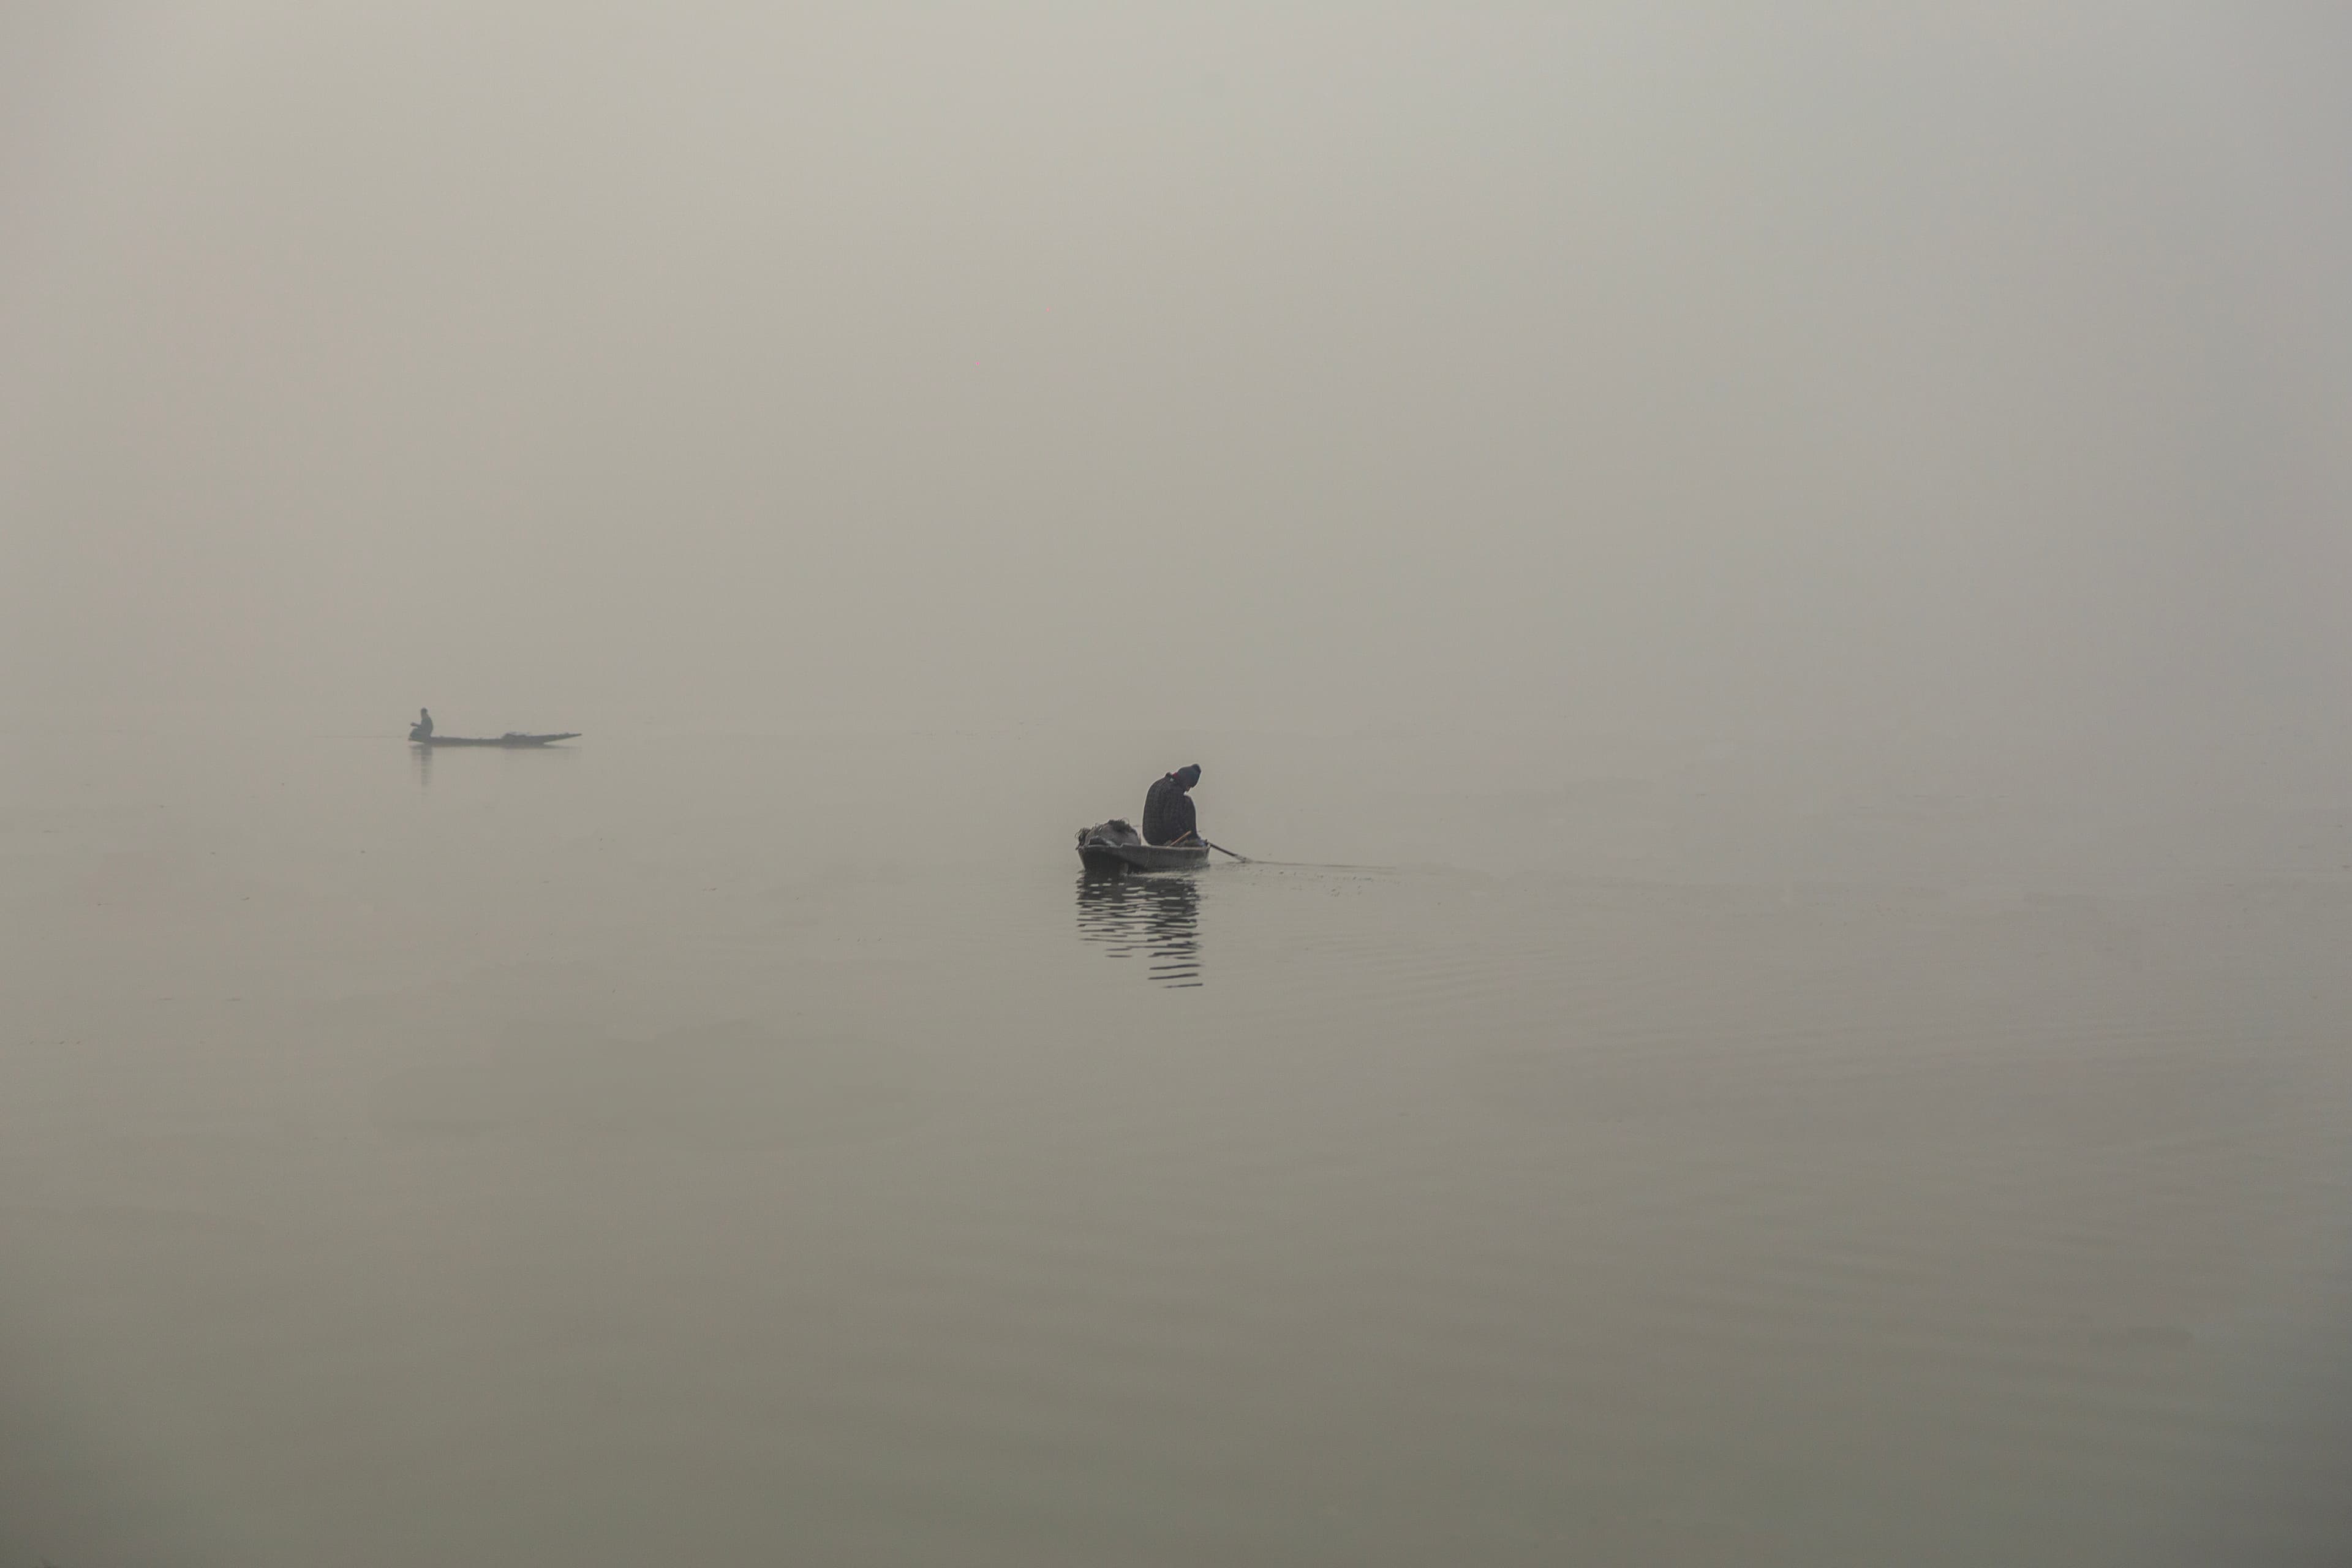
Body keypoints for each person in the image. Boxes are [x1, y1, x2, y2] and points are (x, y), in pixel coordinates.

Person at [1142, 764, 1204, 846]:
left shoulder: (1158, 783)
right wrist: (1185, 840)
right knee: (1188, 802)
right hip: (1162, 838)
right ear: (1185, 781)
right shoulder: (1175, 791)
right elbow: (1171, 822)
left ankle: (1192, 837)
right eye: (1189, 786)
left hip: (1149, 837)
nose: (1188, 790)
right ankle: (1192, 837)